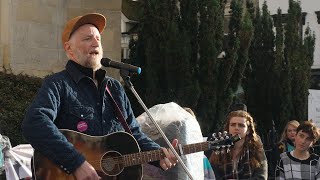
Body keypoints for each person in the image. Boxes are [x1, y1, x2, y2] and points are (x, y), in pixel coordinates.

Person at [22, 13, 178, 179]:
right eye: (88, 39)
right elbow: (34, 123)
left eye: (98, 38)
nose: (96, 43)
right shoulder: (57, 84)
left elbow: (133, 133)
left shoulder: (115, 87)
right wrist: (76, 163)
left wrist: (158, 154)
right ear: (69, 49)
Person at [209, 110, 268, 179]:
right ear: (228, 128)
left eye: (241, 125)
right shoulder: (219, 150)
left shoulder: (256, 149)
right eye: (233, 124)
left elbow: (261, 177)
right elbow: (211, 176)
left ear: (248, 130)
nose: (236, 128)